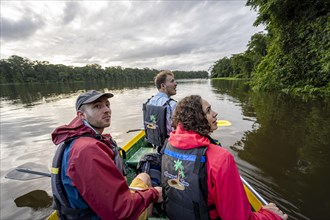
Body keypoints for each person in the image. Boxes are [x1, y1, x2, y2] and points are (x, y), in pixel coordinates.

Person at [161, 95, 288, 220]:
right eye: (208, 111)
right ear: (197, 119)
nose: (215, 113)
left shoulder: (168, 144)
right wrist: (269, 215)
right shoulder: (221, 158)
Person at [51, 90, 162, 220]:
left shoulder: (75, 139)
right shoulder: (88, 150)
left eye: (107, 105)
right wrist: (154, 194)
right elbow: (119, 211)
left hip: (83, 212)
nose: (106, 110)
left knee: (143, 177)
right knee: (149, 183)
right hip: (101, 216)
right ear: (81, 115)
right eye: (97, 106)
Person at [143, 70, 177, 150]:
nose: (175, 84)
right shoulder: (172, 104)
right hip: (169, 146)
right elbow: (176, 129)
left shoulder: (149, 102)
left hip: (155, 143)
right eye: (172, 81)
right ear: (163, 86)